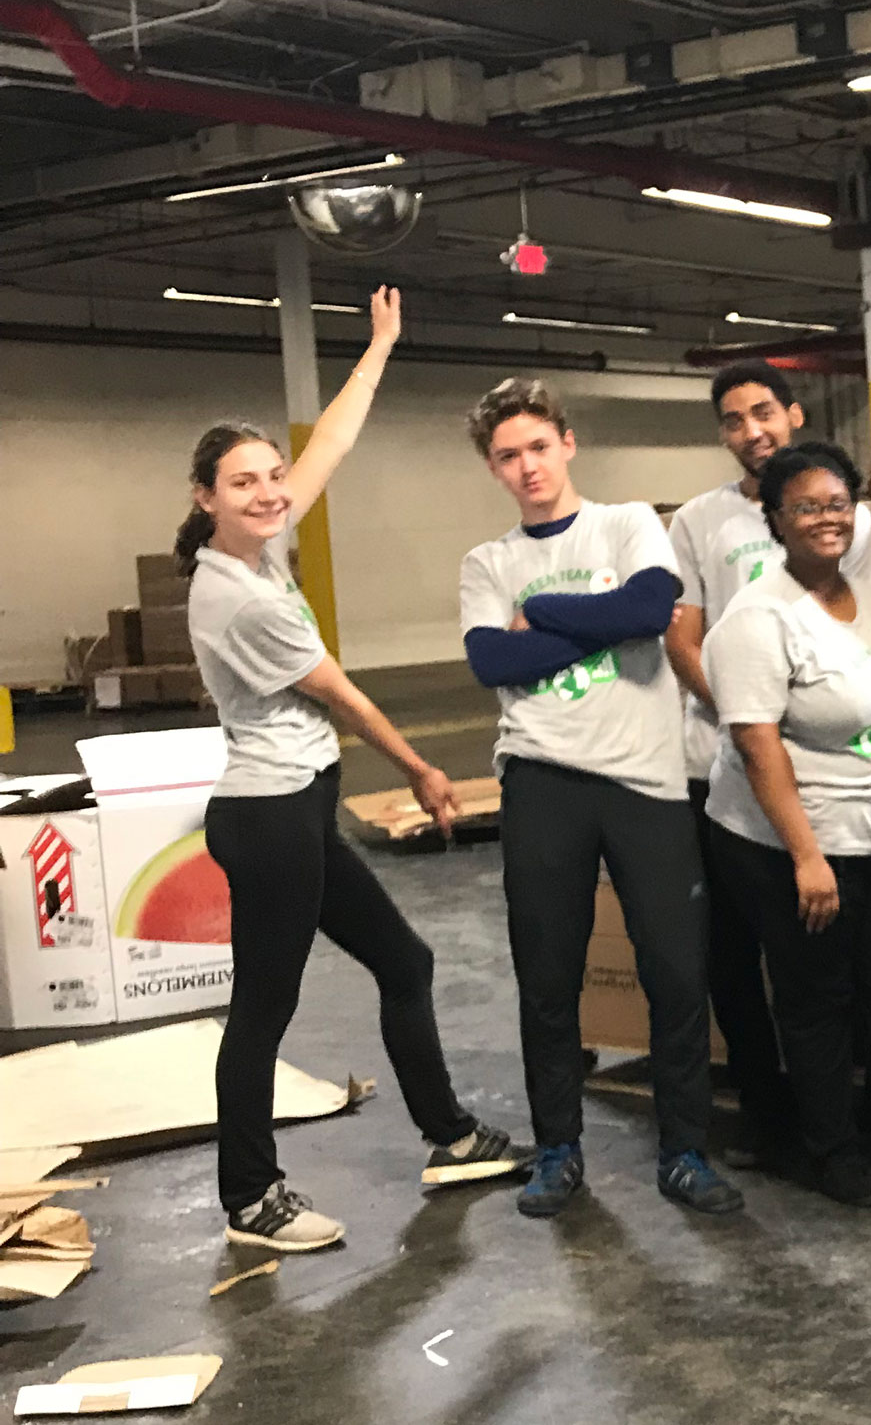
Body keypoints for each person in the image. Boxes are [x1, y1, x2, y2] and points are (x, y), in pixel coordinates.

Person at [184, 287, 524, 1253]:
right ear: (206, 498)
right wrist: (421, 767)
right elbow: (345, 698)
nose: (267, 491)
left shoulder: (258, 554)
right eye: (242, 482)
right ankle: (252, 1199)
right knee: (265, 1006)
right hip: (271, 817)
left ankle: (450, 1135)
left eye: (271, 476)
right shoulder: (243, 600)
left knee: (404, 962)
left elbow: (326, 445)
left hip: (295, 809)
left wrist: (378, 347)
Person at [459, 377, 741, 1219]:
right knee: (549, 975)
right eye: (507, 456)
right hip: (542, 778)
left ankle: (685, 1152)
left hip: (645, 782)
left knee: (676, 969)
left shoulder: (626, 525)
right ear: (493, 468)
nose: (527, 467)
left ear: (568, 444)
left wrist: (542, 611)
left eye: (538, 448)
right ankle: (558, 1150)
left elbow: (651, 609)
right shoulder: (487, 562)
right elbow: (491, 664)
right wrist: (598, 619)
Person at [664, 361, 871, 1169]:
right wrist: (741, 719)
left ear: (792, 414)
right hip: (726, 770)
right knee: (734, 955)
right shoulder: (697, 522)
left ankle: (842, 1113)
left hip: (832, 775)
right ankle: (767, 1117)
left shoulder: (843, 515)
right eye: (732, 420)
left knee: (827, 960)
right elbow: (681, 637)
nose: (750, 430)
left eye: (762, 412)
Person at [702, 441, 871, 1209]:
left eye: (838, 503)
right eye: (807, 506)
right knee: (817, 998)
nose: (827, 518)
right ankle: (833, 1151)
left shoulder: (863, 594)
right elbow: (755, 739)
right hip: (800, 844)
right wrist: (806, 856)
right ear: (775, 519)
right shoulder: (757, 617)